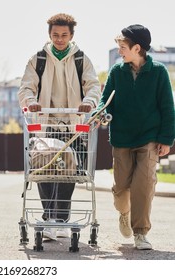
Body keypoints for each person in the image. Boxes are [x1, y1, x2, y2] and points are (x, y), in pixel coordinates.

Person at [17, 13, 101, 240]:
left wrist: (88, 102)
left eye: (64, 35)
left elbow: (93, 85)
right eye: (55, 35)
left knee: (67, 171)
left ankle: (62, 220)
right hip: (45, 124)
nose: (60, 39)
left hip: (72, 125)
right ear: (49, 35)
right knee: (44, 169)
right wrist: (31, 101)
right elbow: (25, 87)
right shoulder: (38, 59)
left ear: (71, 35)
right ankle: (48, 218)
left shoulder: (81, 59)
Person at [98, 24, 175, 250]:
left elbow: (168, 108)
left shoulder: (158, 72)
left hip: (149, 138)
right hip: (122, 137)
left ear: (137, 48)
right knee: (121, 189)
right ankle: (124, 213)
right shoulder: (116, 72)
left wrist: (166, 139)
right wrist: (101, 112)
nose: (120, 51)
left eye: (123, 47)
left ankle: (140, 233)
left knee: (143, 185)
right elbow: (105, 100)